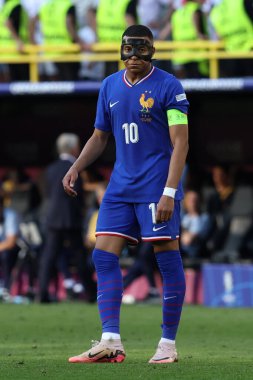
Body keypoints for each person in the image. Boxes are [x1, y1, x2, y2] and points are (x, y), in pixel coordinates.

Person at [63, 25, 189, 364]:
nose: (134, 56)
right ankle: (110, 341)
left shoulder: (169, 86)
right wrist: (76, 166)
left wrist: (169, 192)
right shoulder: (109, 86)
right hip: (120, 187)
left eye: (141, 50)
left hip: (156, 188)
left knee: (166, 258)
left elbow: (181, 142)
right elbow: (99, 136)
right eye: (128, 50)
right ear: (120, 51)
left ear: (152, 51)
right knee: (102, 256)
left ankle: (167, 345)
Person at [39, 133, 97, 303]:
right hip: (71, 218)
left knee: (48, 257)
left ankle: (42, 294)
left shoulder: (50, 169)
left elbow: (48, 194)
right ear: (73, 148)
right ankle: (92, 294)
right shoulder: (75, 168)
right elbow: (78, 196)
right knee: (79, 257)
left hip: (54, 218)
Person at [0, 193, 20, 301]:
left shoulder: (10, 215)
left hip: (14, 249)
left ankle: (6, 289)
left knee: (5, 256)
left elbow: (11, 242)